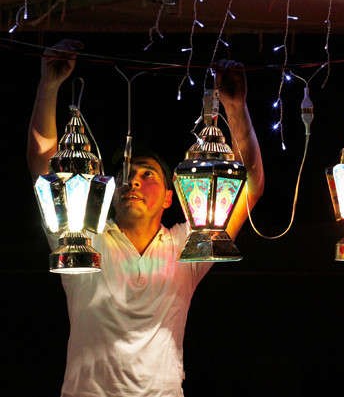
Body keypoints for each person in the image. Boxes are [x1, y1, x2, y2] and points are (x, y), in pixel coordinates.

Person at [27, 40, 264, 396]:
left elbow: (250, 185)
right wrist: (48, 86)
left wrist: (235, 108)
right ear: (110, 192)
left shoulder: (188, 248)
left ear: (170, 197)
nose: (133, 181)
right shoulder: (83, 239)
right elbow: (43, 166)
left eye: (147, 174)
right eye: (125, 174)